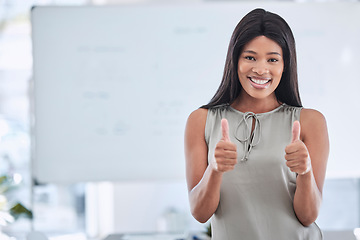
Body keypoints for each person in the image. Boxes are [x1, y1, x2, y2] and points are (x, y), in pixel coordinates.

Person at [184, 8, 329, 240]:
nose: (261, 69)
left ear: (285, 65)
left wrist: (306, 171)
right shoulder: (201, 120)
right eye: (250, 57)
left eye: (272, 59)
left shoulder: (310, 122)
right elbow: (200, 213)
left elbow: (308, 216)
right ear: (235, 60)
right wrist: (214, 169)